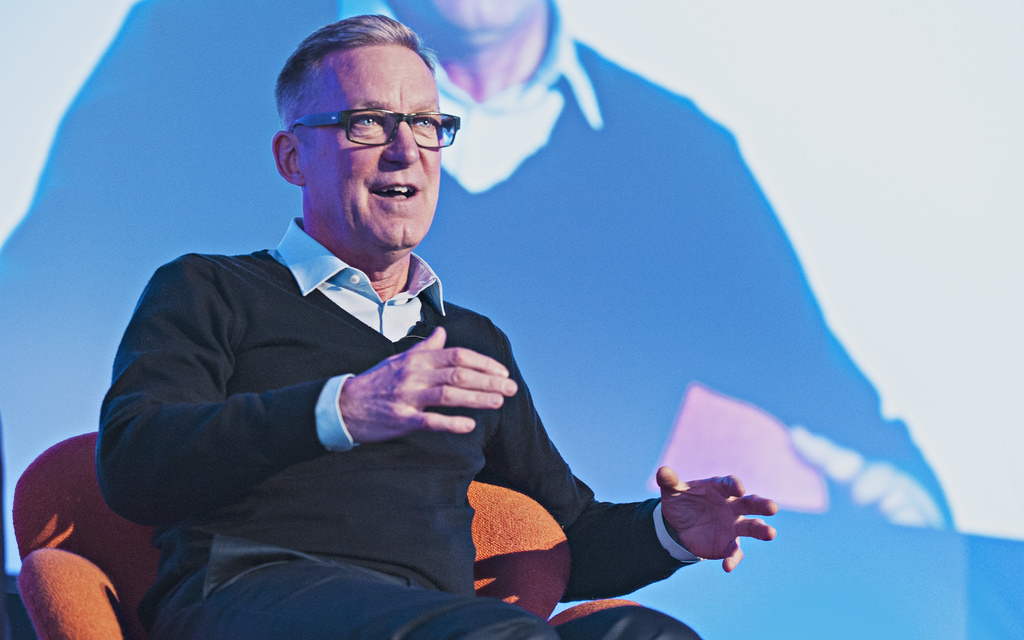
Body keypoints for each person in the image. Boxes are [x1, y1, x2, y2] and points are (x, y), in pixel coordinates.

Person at [97, 15, 777, 640]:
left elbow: (565, 533)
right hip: (249, 597)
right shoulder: (209, 289)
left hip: (441, 618)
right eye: (368, 122)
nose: (406, 150)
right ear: (292, 158)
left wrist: (669, 531)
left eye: (426, 123)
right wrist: (341, 410)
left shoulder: (470, 342)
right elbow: (133, 463)